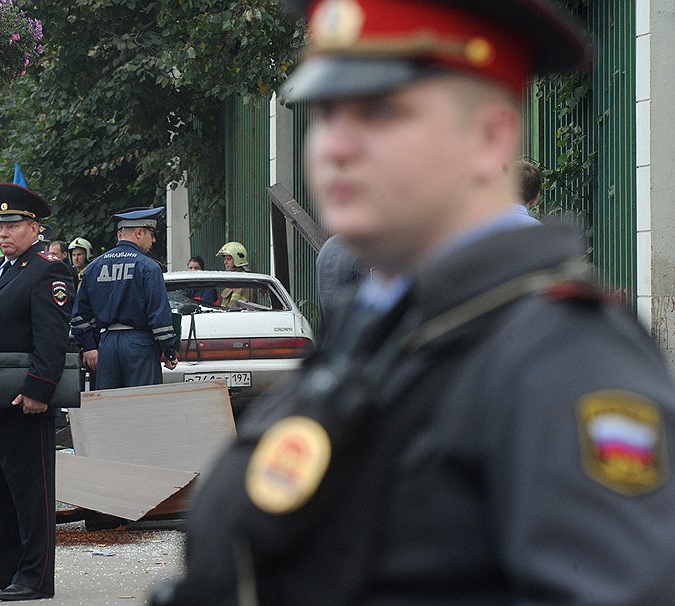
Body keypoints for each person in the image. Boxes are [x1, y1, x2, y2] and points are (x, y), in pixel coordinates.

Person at [156, 1, 675, 605]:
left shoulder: (566, 356)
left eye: (381, 112)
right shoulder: (376, 328)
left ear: (490, 138)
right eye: (325, 113)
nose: (336, 147)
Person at [0, 183, 72, 602]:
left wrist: (40, 388)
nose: (2, 234)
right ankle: (6, 572)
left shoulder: (47, 270)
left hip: (24, 402)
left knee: (30, 493)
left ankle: (35, 578)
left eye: (13, 225)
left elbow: (52, 337)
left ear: (34, 228)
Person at [70, 208, 177, 389]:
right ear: (139, 233)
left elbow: (80, 315)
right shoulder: (149, 267)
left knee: (110, 406)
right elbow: (159, 316)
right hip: (140, 344)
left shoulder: (94, 267)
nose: (154, 240)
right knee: (142, 404)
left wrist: (88, 346)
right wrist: (169, 350)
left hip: (106, 344)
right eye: (151, 234)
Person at [216, 241, 253, 308]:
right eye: (224, 259)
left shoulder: (244, 281)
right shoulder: (231, 279)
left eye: (228, 259)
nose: (225, 262)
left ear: (237, 259)